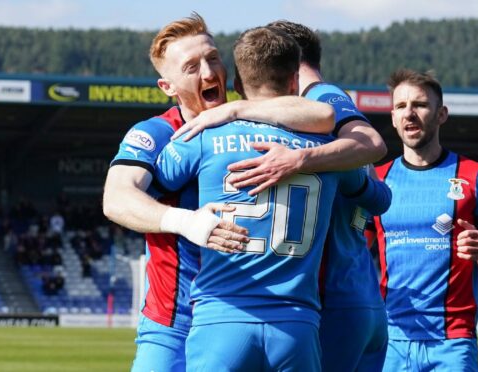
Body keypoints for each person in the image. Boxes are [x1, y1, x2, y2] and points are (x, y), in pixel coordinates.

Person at [102, 13, 339, 372]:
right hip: (174, 318)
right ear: (167, 86)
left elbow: (324, 113)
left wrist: (240, 108)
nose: (210, 73)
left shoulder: (259, 119)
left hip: (244, 313)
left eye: (213, 58)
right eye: (192, 67)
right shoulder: (157, 133)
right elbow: (116, 198)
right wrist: (184, 221)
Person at [155, 26, 391, 371]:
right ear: (295, 83)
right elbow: (380, 199)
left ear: (236, 85)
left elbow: (150, 184)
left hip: (223, 318)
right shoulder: (329, 151)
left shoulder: (203, 136)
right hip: (296, 324)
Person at [369, 69, 478, 371]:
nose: (409, 113)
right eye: (400, 106)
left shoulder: (476, 176)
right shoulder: (376, 180)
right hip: (391, 339)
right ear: (392, 117)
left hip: (453, 341)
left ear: (441, 114)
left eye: (420, 105)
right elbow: (352, 251)